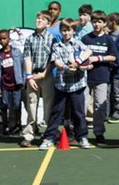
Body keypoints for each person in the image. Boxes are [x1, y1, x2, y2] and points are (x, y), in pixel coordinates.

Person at [39, 19, 92, 150]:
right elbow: (55, 61)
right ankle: (49, 137)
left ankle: (82, 137)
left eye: (69, 30)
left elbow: (89, 52)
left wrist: (78, 62)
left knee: (78, 112)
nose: (66, 33)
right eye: (64, 30)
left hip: (77, 85)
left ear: (73, 31)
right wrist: (65, 67)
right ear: (60, 31)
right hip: (61, 84)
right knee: (57, 112)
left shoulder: (79, 44)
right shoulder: (56, 46)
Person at [20, 11, 56, 148]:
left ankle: (47, 135)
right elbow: (27, 58)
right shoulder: (30, 39)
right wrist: (29, 77)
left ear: (48, 23)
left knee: (48, 105)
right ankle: (29, 134)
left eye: (43, 19)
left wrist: (43, 74)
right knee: (31, 104)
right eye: (38, 18)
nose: (39, 20)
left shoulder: (52, 38)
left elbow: (53, 60)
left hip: (46, 76)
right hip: (32, 76)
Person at [82, 10, 116, 143]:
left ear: (104, 23)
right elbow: (80, 55)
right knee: (83, 105)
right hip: (85, 77)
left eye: (99, 22)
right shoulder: (86, 38)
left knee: (99, 106)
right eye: (94, 21)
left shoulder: (108, 39)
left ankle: (99, 132)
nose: (96, 24)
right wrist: (85, 64)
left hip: (102, 77)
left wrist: (97, 58)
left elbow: (113, 56)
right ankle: (82, 132)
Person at [0, 29, 24, 135]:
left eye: (4, 38)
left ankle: (17, 125)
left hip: (16, 85)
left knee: (17, 106)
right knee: (4, 107)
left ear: (9, 39)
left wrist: (23, 81)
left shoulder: (16, 52)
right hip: (4, 86)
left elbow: (22, 66)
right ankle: (5, 126)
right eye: (0, 39)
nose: (2, 41)